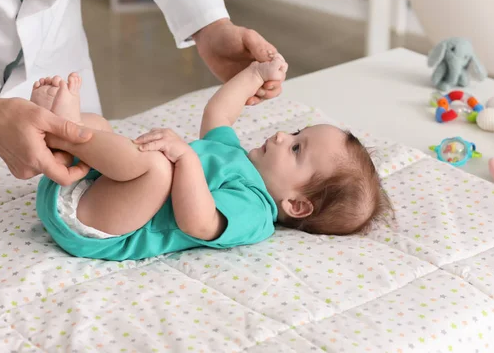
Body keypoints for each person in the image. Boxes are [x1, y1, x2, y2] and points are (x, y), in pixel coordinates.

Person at [33, 55, 394, 261]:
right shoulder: (234, 155)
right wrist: (254, 74)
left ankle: (65, 132)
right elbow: (219, 113)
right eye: (297, 132)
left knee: (158, 168)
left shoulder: (255, 211)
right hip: (80, 183)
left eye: (297, 149)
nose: (283, 136)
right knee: (103, 128)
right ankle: (66, 135)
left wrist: (186, 160)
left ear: (297, 205)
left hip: (98, 227)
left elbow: (200, 223)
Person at [0, 0, 281, 185]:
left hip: (54, 64)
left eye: (297, 144)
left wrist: (208, 24)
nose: (282, 136)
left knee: (89, 147)